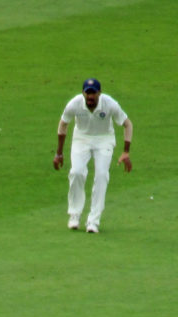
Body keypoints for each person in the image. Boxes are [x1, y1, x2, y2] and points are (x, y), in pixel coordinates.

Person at [52, 77, 133, 234]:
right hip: (81, 139)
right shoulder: (75, 103)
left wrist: (126, 151)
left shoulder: (109, 104)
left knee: (102, 175)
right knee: (76, 172)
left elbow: (127, 124)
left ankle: (93, 221)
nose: (90, 97)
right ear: (83, 93)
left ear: (99, 93)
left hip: (104, 140)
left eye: (93, 93)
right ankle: (74, 215)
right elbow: (63, 125)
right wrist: (59, 153)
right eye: (87, 93)